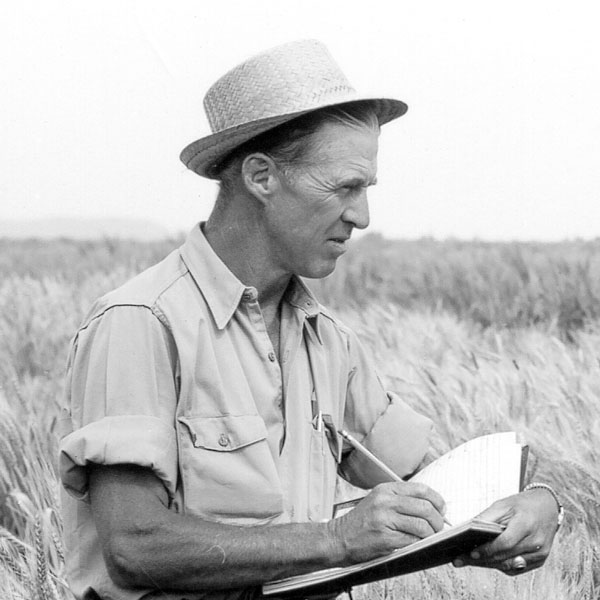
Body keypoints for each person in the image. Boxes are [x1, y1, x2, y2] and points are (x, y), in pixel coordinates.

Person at [58, 40, 562, 600]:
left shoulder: (330, 343)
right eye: (344, 186)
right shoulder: (141, 324)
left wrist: (538, 501)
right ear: (261, 177)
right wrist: (337, 539)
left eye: (366, 189)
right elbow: (134, 547)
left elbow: (437, 482)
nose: (362, 216)